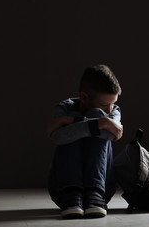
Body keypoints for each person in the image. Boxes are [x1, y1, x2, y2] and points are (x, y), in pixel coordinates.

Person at [46, 64, 123, 219]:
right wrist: (99, 123)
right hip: (63, 191)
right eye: (104, 105)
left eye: (112, 103)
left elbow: (111, 135)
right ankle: (72, 191)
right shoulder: (63, 108)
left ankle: (94, 191)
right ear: (83, 98)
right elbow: (58, 138)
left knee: (95, 115)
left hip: (101, 191)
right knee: (96, 118)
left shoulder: (114, 111)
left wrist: (71, 122)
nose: (109, 110)